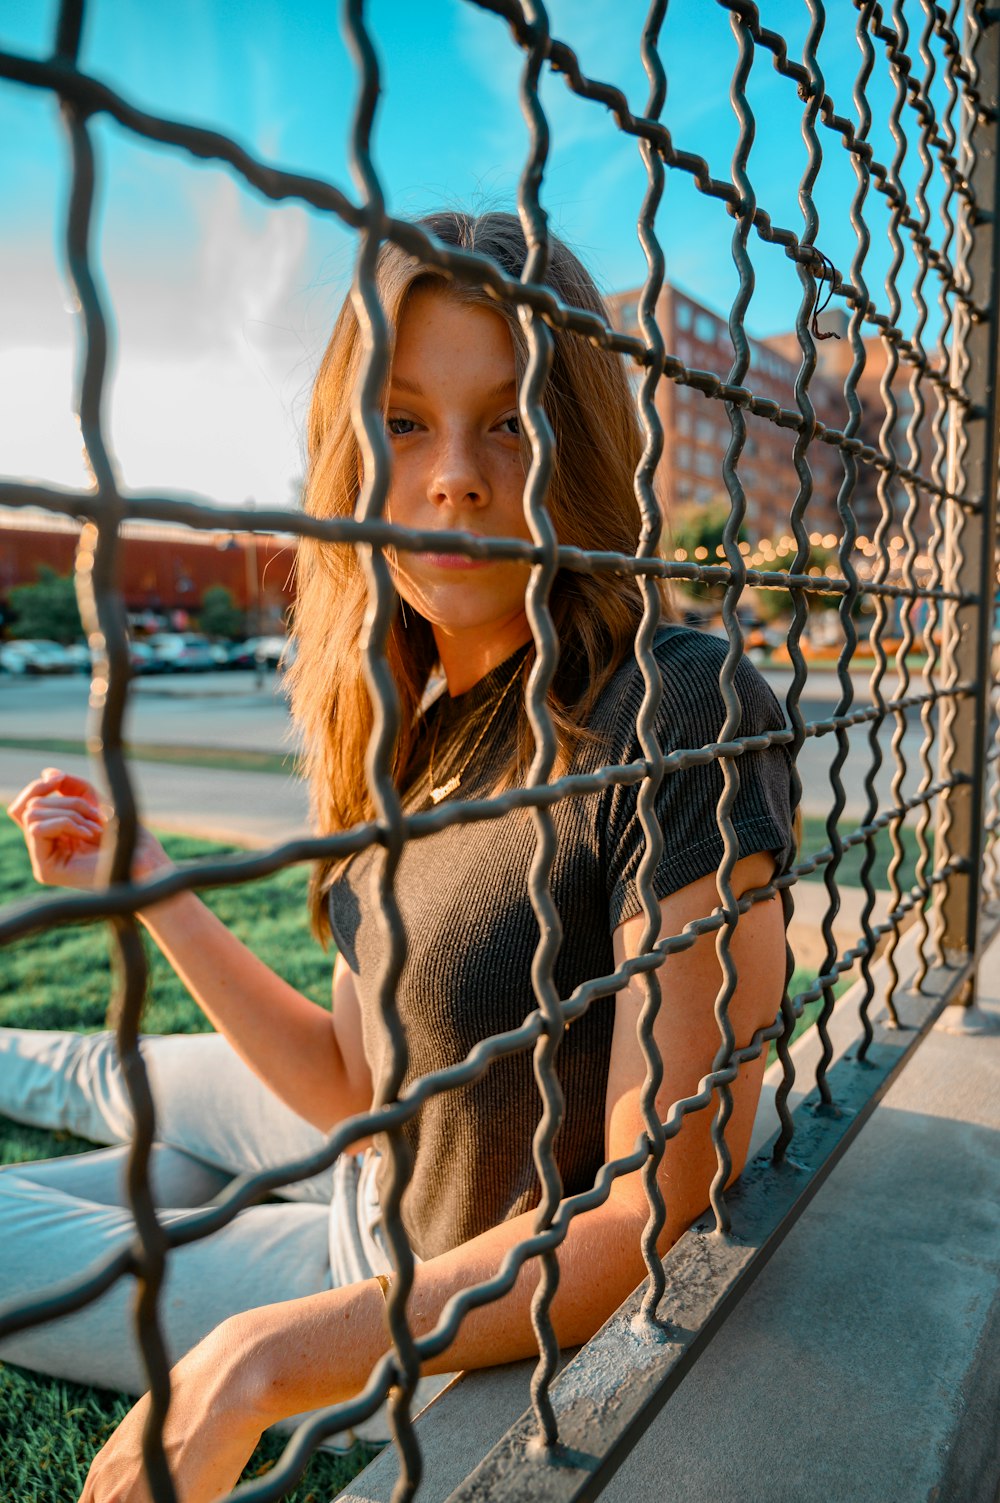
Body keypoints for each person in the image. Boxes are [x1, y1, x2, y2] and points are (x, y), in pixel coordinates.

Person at [2, 211, 793, 1503]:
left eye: (513, 421)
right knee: (105, 1066)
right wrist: (147, 884)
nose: (456, 477)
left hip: (414, 1297)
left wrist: (260, 1357)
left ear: (581, 448)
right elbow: (355, 1085)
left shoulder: (674, 707)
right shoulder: (409, 731)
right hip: (383, 1157)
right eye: (404, 421)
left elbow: (659, 1208)